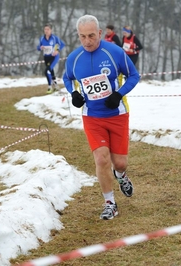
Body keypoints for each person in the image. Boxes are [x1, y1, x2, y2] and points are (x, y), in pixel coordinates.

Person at [63, 15, 140, 220]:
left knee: (120, 163)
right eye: (82, 37)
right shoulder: (74, 58)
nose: (87, 41)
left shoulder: (114, 52)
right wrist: (74, 94)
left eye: (91, 36)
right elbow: (67, 78)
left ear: (99, 33)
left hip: (117, 115)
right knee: (101, 158)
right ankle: (110, 203)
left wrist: (118, 94)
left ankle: (121, 176)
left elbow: (134, 76)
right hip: (92, 117)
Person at [37, 23, 65, 94]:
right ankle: (55, 85)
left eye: (48, 29)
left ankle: (49, 86)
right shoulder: (42, 38)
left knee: (47, 71)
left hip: (54, 57)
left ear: (51, 30)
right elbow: (38, 47)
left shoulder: (54, 38)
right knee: (51, 71)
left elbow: (62, 44)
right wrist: (40, 48)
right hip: (46, 57)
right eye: (45, 29)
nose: (46, 31)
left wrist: (57, 50)